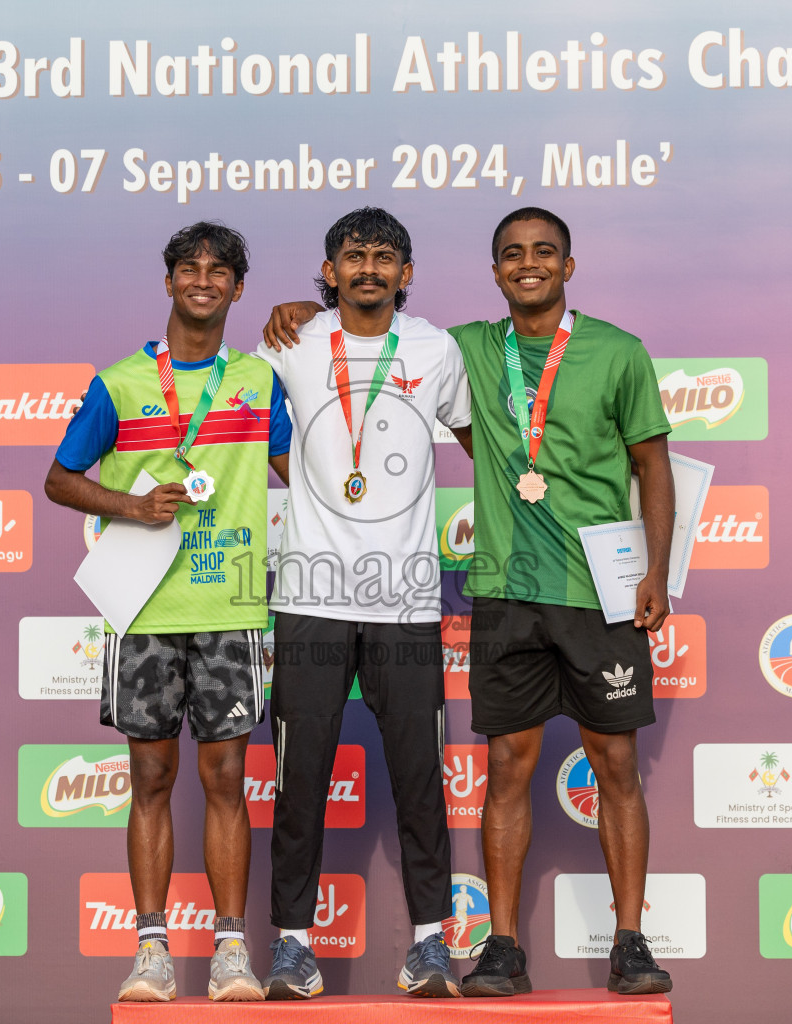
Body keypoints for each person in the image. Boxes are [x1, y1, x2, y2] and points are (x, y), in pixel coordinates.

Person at [263, 207, 676, 998]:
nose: (529, 265)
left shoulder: (588, 351)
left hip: (591, 590)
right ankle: (499, 948)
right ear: (493, 271)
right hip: (495, 591)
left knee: (614, 765)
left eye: (544, 253)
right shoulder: (455, 346)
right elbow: (317, 371)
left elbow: (644, 464)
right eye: (513, 255)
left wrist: (653, 572)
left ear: (568, 264)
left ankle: (627, 940)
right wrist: (302, 313)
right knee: (505, 768)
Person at [45, 222, 292, 1003]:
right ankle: (152, 950)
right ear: (169, 282)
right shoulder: (119, 382)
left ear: (239, 289)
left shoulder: (259, 379)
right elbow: (59, 478)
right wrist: (131, 504)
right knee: (150, 777)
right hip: (143, 606)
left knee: (227, 779)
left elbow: (307, 471)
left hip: (233, 605)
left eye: (221, 271)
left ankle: (229, 953)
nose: (205, 280)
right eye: (191, 268)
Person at [256, 208, 472, 1000]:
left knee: (422, 780)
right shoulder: (290, 341)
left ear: (406, 273)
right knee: (299, 779)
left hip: (408, 600)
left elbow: (478, 436)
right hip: (311, 596)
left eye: (385, 257)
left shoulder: (435, 348)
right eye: (356, 257)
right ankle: (292, 947)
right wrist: (311, 486)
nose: (370, 269)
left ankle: (429, 946)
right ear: (331, 268)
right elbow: (249, 425)